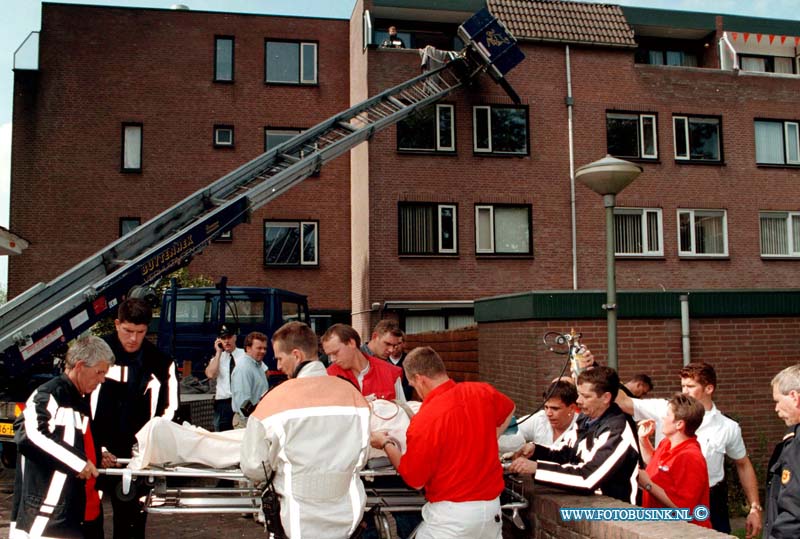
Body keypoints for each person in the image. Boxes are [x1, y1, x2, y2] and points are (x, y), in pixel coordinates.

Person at [370, 346, 515, 539]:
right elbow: (510, 408)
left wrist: (386, 443)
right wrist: (490, 437)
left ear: (420, 379)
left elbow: (415, 480)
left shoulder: (425, 420)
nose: (416, 390)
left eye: (413, 385)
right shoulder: (481, 391)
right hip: (491, 512)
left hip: (451, 517)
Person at [240, 328, 371, 538]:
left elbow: (254, 467)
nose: (278, 366)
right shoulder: (354, 396)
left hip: (296, 519)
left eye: (280, 358)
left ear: (296, 355)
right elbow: (362, 456)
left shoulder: (273, 401)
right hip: (347, 518)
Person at [615, 362, 762, 537]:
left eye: (690, 386)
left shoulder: (727, 427)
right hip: (664, 497)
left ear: (709, 388)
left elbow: (743, 464)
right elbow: (622, 401)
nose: (685, 391)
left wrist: (754, 506)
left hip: (708, 500)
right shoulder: (667, 409)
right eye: (682, 385)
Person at [11, 336, 114, 539]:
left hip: (80, 512)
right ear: (80, 366)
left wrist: (98, 453)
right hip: (48, 519)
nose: (102, 379)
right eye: (99, 372)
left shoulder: (80, 399)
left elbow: (79, 440)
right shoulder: (49, 394)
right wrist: (78, 463)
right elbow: (29, 435)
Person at [93, 298, 179, 539]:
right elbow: (80, 403)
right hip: (95, 453)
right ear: (117, 324)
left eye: (140, 332)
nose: (133, 339)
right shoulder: (97, 355)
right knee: (87, 520)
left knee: (131, 523)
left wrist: (144, 447)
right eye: (127, 331)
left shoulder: (161, 362)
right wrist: (95, 446)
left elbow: (169, 410)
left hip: (135, 457)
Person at [509, 366, 640, 505]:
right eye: (579, 394)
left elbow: (587, 479)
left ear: (606, 398)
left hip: (615, 514)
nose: (578, 401)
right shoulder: (585, 418)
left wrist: (537, 468)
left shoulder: (616, 431)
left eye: (586, 396)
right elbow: (566, 454)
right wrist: (536, 451)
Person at [637, 394, 711, 528]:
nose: (663, 418)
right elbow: (656, 465)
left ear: (679, 424)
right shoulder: (667, 443)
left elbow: (683, 510)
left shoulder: (690, 457)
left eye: (667, 415)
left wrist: (648, 485)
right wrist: (643, 440)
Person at [323, 323, 405, 402]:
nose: (333, 359)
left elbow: (404, 411)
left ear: (351, 343)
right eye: (329, 355)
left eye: (335, 352)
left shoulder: (390, 373)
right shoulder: (328, 376)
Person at [764, 364, 800, 538]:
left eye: (777, 401)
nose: (776, 409)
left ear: (794, 397)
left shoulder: (796, 444)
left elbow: (794, 511)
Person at [509, 380, 579, 450]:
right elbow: (511, 430)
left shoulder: (582, 427)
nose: (548, 413)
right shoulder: (541, 418)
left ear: (572, 408)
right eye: (546, 407)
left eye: (555, 408)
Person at [205, 322, 245, 432]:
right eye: (223, 338)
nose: (227, 341)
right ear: (219, 340)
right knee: (222, 435)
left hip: (241, 400)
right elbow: (210, 374)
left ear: (235, 338)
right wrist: (218, 353)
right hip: (224, 403)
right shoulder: (217, 359)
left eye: (229, 337)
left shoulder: (245, 355)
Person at [362, 320, 412, 400]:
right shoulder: (354, 358)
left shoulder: (391, 368)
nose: (391, 350)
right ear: (375, 337)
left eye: (394, 345)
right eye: (387, 344)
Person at [230, 331, 270, 427]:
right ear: (248, 348)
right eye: (259, 348)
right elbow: (243, 402)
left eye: (265, 348)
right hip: (247, 422)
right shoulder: (244, 369)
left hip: (257, 419)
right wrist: (250, 425)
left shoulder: (258, 365)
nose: (263, 351)